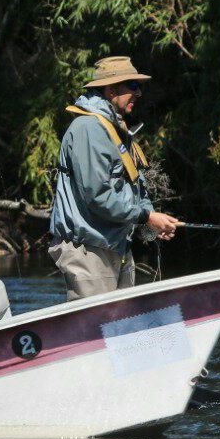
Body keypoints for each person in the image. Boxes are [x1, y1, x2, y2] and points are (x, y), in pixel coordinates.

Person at [48, 55, 181, 301]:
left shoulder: (115, 130)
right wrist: (147, 216)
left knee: (120, 329)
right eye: (132, 86)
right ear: (110, 90)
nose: (138, 93)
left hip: (115, 246)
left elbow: (133, 185)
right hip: (88, 249)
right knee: (94, 330)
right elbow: (97, 194)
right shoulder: (88, 128)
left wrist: (150, 220)